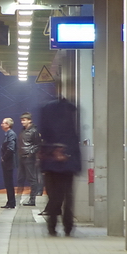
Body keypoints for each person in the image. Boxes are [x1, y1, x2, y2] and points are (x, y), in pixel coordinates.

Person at [38, 96, 82, 236]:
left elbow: (43, 134)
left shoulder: (46, 110)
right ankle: (68, 227)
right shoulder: (71, 112)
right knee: (68, 195)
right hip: (68, 162)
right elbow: (75, 139)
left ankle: (52, 227)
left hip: (51, 162)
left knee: (53, 196)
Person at [18, 112, 42, 206]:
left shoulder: (34, 131)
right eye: (21, 120)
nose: (22, 122)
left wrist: (30, 153)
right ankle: (18, 199)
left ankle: (32, 200)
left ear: (29, 120)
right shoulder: (23, 131)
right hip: (22, 157)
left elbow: (38, 145)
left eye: (24, 120)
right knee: (21, 178)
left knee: (32, 179)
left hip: (29, 158)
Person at [0, 117, 17, 209]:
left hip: (8, 162)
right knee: (8, 183)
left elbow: (11, 148)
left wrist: (4, 158)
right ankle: (10, 202)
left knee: (9, 183)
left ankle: (11, 203)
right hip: (8, 162)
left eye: (3, 123)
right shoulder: (8, 134)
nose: (1, 125)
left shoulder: (11, 135)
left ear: (8, 125)